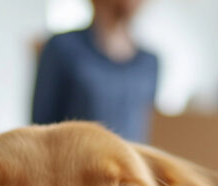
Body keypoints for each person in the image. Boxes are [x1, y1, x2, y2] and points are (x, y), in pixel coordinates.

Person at [31, 0, 158, 143]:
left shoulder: (149, 63)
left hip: (127, 156)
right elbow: (39, 129)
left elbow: (143, 129)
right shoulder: (62, 48)